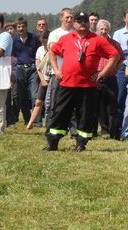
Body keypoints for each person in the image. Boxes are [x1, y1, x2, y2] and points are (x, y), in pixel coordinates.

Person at [44, 12, 120, 152]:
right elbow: (52, 51)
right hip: (66, 84)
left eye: (85, 20)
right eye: (79, 21)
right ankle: (52, 143)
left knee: (85, 116)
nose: (83, 23)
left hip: (87, 86)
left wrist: (102, 73)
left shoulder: (97, 40)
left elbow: (114, 55)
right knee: (60, 113)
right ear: (74, 23)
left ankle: (81, 144)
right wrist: (56, 69)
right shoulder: (66, 38)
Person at [12, 17, 40, 124]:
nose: (20, 28)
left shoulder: (34, 38)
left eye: (22, 26)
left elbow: (39, 52)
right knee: (21, 95)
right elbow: (13, 55)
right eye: (18, 27)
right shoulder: (14, 40)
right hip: (20, 69)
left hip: (32, 68)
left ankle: (36, 121)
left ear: (26, 27)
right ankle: (27, 119)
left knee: (34, 95)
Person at [25, 30, 51, 130]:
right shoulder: (40, 50)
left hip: (53, 78)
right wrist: (42, 80)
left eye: (46, 41)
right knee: (38, 102)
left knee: (52, 103)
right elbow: (38, 66)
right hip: (44, 79)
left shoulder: (54, 49)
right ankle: (31, 122)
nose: (44, 43)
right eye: (42, 41)